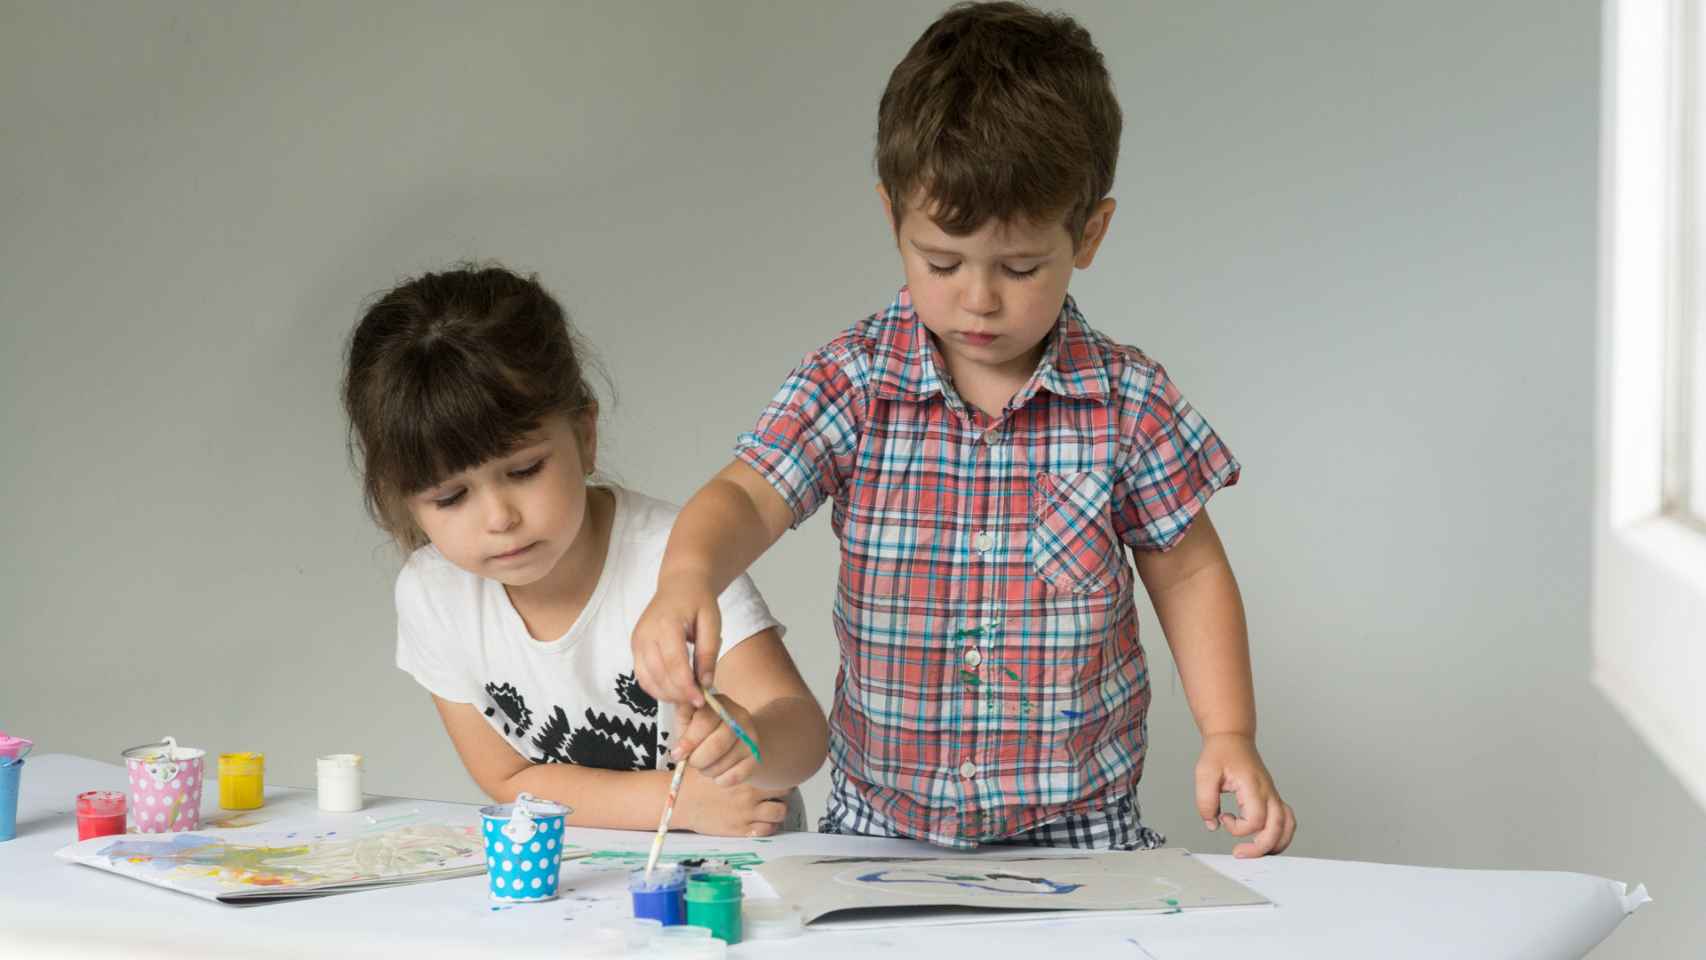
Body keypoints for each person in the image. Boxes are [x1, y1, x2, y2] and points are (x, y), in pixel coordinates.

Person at [633, 3, 1295, 856]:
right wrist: (687, 574)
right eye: (941, 262)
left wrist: (1229, 731)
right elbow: (744, 497)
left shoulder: (1126, 401)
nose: (978, 299)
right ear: (893, 218)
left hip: (1079, 827)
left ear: (1088, 233)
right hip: (881, 825)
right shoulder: (856, 381)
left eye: (1020, 268)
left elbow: (1191, 570)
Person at [343, 263, 827, 836]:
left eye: (524, 470)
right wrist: (677, 808)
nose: (500, 518)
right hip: (589, 881)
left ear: (585, 436)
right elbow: (508, 777)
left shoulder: (676, 561)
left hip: (739, 870)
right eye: (451, 497)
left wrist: (755, 741)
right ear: (403, 502)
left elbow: (805, 738)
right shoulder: (433, 595)